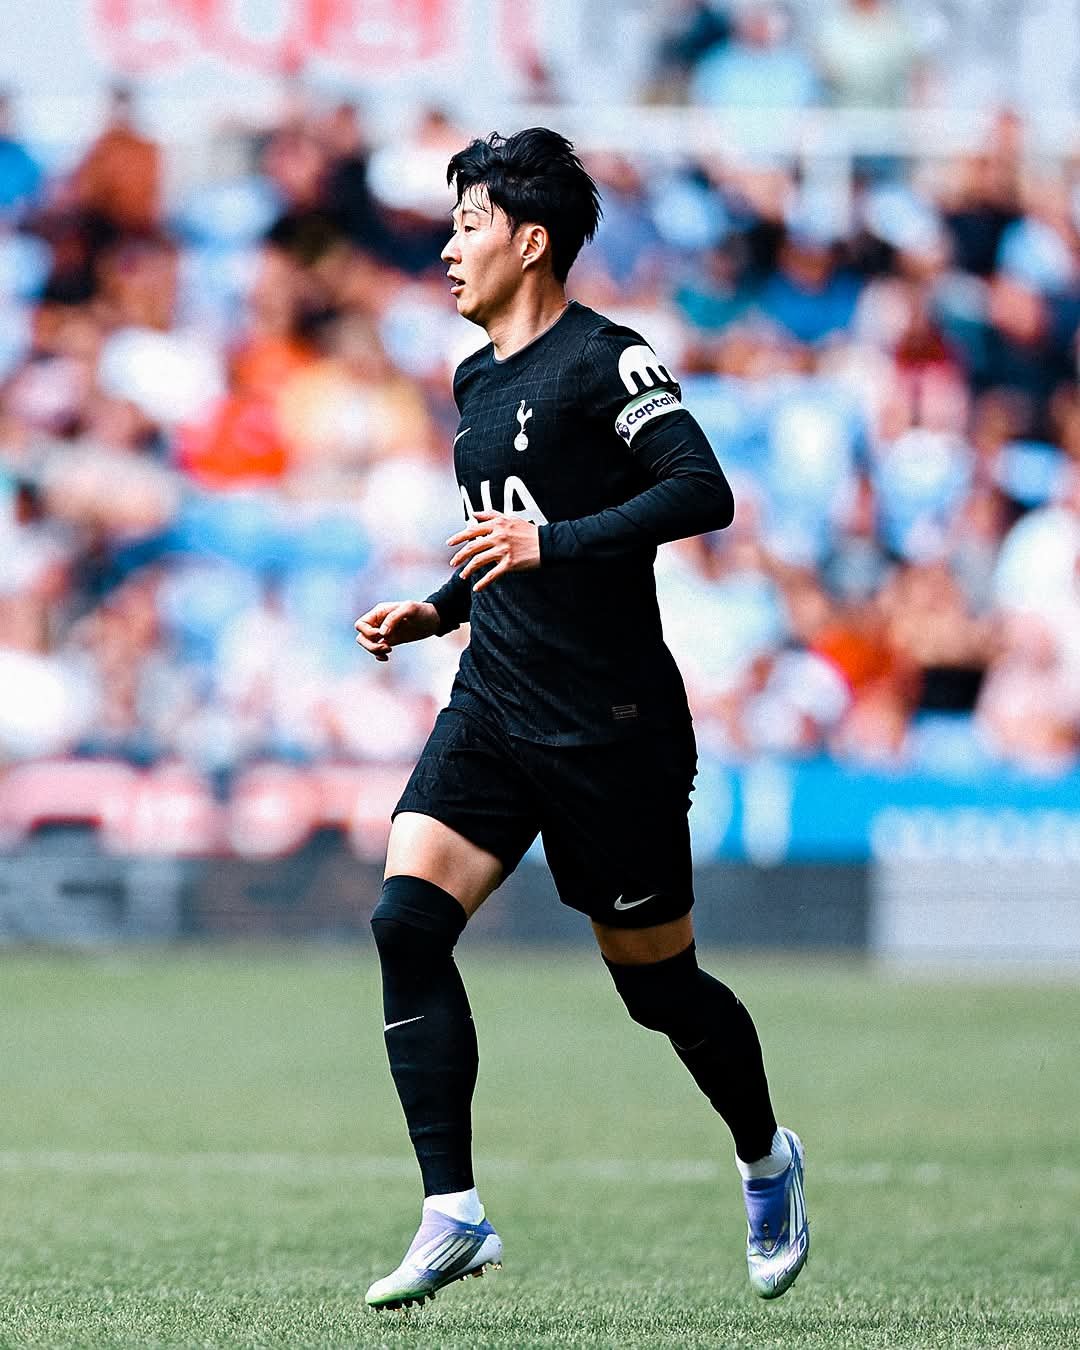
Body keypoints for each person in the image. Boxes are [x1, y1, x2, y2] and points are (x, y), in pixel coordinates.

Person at [353, 128, 809, 1310]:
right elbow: (509, 536)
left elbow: (700, 491)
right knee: (405, 922)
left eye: (468, 224)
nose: (447, 247)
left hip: (611, 729)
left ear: (531, 240)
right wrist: (441, 606)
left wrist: (547, 544)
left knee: (659, 990)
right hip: (494, 705)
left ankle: (766, 1156)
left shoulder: (611, 359)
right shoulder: (473, 380)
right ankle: (453, 1211)